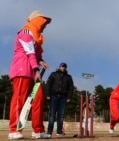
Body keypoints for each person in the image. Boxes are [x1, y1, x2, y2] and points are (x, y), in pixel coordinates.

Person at [8, 10, 52, 139]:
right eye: (43, 23)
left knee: (38, 99)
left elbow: (36, 55)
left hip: (32, 72)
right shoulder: (26, 33)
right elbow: (29, 53)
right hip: (22, 71)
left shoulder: (35, 38)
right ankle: (14, 130)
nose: (44, 26)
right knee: (19, 100)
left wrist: (41, 61)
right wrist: (37, 69)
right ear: (37, 21)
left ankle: (38, 131)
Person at [46, 62, 74, 136]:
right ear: (59, 67)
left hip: (63, 97)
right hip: (54, 96)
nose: (63, 68)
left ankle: (59, 131)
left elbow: (71, 88)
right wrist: (48, 94)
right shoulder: (53, 74)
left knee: (61, 115)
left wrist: (69, 97)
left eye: (64, 67)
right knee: (52, 114)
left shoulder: (68, 77)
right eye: (62, 66)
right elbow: (48, 84)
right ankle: (49, 131)